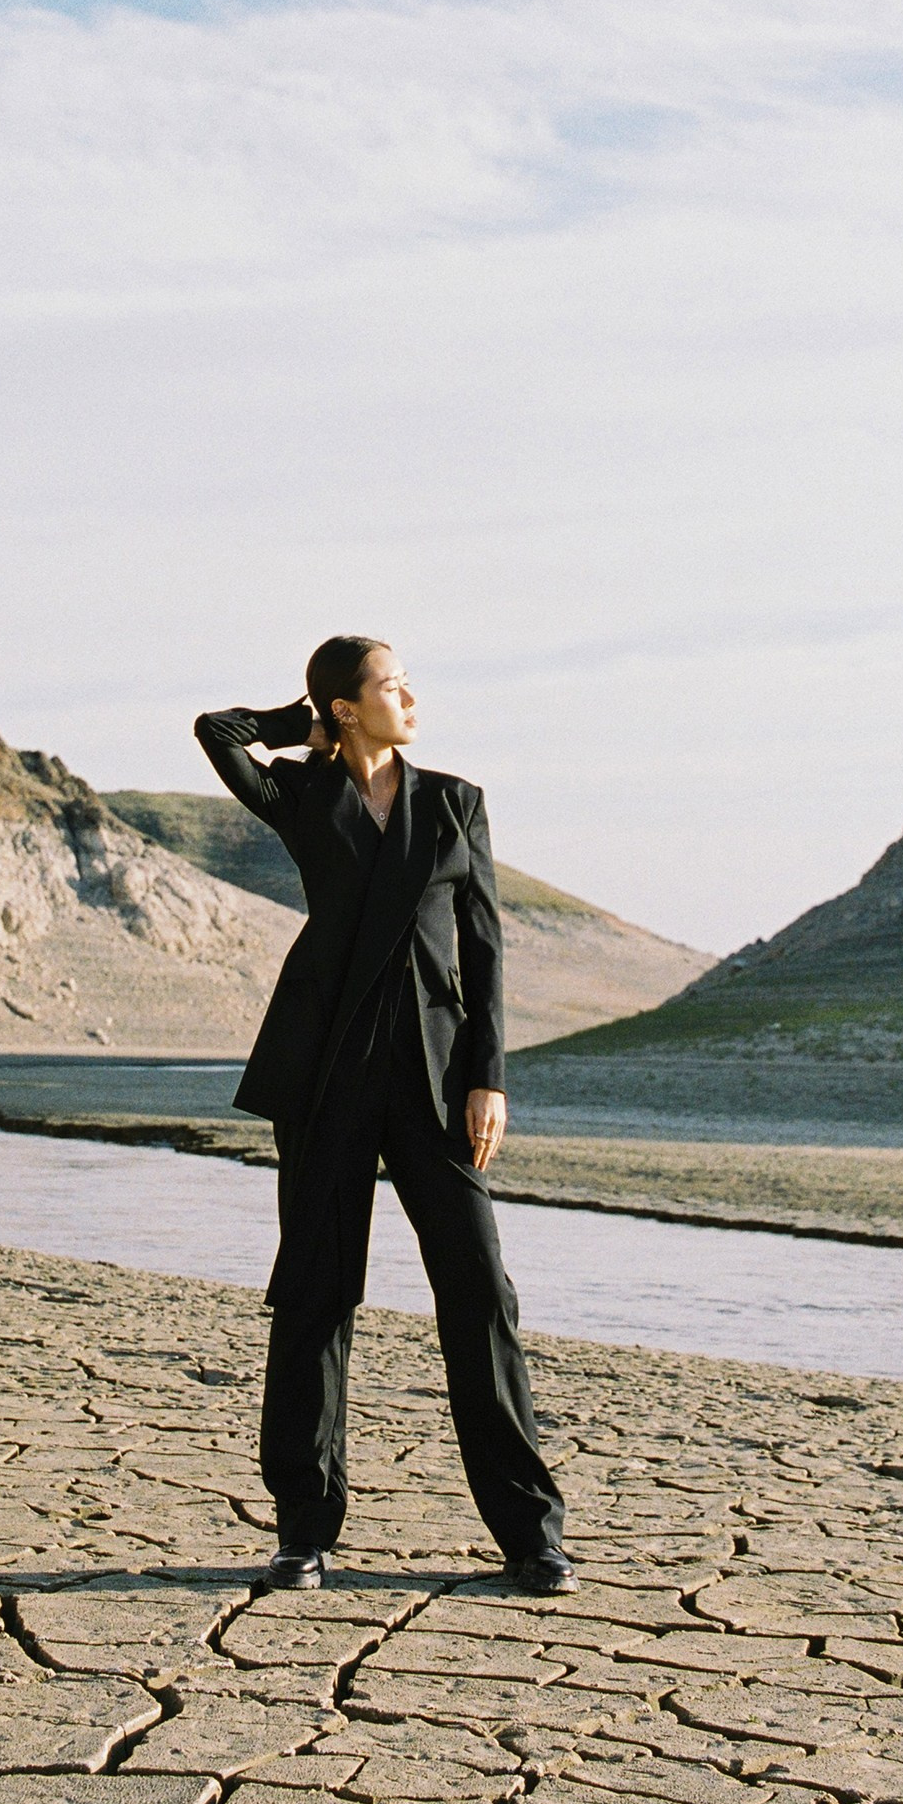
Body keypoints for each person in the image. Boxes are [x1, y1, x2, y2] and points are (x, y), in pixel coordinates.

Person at [194, 636, 575, 1598]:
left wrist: (487, 1077)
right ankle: (303, 1531)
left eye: (406, 683)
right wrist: (304, 722)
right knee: (315, 1296)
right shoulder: (300, 793)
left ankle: (531, 1535)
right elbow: (217, 731)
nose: (411, 697)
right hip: (325, 1072)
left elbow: (484, 949)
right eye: (391, 685)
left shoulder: (454, 803)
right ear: (348, 706)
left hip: (435, 1080)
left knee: (480, 1292)